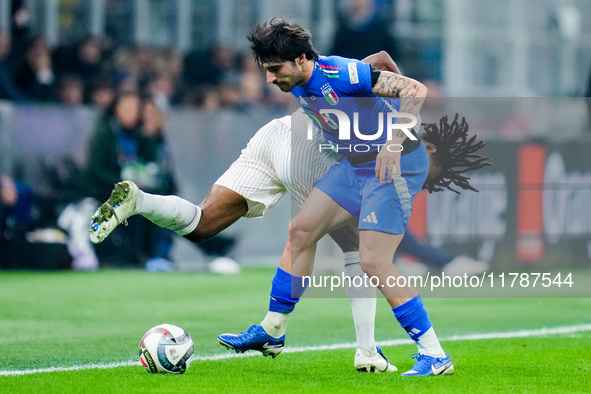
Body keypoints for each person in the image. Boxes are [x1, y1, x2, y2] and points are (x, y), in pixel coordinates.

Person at [216, 18, 490, 377]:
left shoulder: (340, 73)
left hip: (397, 163)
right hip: (357, 164)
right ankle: (272, 331)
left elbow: (416, 90)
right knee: (301, 230)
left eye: (274, 69)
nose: (269, 79)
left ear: (300, 59)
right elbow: (381, 58)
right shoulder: (311, 75)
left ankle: (435, 355)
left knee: (374, 261)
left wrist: (394, 139)